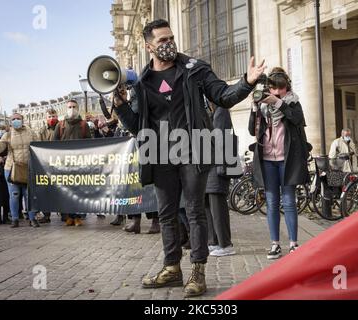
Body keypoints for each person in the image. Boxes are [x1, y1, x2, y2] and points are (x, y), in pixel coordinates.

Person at [113, 19, 265, 297]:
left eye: (170, 38)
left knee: (195, 211)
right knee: (167, 214)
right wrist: (121, 106)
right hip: (159, 155)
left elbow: (223, 95)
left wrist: (246, 82)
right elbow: (137, 126)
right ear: (149, 47)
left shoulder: (195, 69)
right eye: (162, 40)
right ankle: (171, 268)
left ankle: (198, 270)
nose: (168, 43)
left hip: (193, 150)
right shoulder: (143, 82)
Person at [248, 67, 310, 260]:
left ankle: (293, 243)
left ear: (286, 88)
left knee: (289, 202)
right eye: (273, 88)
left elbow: (297, 119)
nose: (276, 92)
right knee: (272, 202)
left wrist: (279, 103)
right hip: (267, 159)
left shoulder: (293, 103)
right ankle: (275, 244)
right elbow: (252, 130)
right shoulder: (263, 107)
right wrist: (254, 108)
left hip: (287, 159)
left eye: (280, 88)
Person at [0, 113, 40, 228]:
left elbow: (38, 146)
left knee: (29, 194)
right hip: (12, 168)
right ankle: (15, 219)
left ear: (23, 120)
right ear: (10, 122)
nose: (16, 120)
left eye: (18, 119)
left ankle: (32, 219)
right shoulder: (7, 134)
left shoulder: (30, 132)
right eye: (13, 119)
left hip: (28, 167)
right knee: (14, 195)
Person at [53, 99, 91, 227]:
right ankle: (68, 216)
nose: (72, 109)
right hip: (64, 165)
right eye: (69, 107)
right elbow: (53, 144)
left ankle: (78, 217)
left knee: (79, 191)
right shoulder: (60, 125)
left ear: (78, 108)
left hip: (79, 164)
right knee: (66, 191)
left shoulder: (84, 125)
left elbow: (90, 144)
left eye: (74, 106)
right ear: (66, 108)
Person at [205, 106, 236, 257]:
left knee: (217, 207)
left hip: (217, 165)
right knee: (208, 205)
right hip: (207, 164)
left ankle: (225, 243)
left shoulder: (221, 111)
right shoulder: (211, 111)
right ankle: (213, 241)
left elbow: (219, 138)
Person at [36, 108, 59, 223]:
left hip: (59, 162)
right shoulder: (41, 131)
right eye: (49, 116)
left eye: (54, 116)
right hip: (46, 163)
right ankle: (46, 215)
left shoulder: (61, 127)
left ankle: (64, 213)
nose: (52, 118)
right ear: (46, 118)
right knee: (46, 189)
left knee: (61, 189)